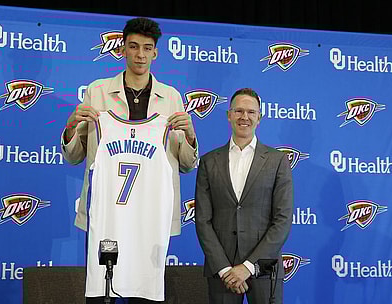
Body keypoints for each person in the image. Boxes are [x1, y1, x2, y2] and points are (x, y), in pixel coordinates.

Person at [61, 17, 198, 303]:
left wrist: (191, 136)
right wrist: (71, 126)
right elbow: (75, 156)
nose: (140, 54)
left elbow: (186, 163)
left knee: (145, 294)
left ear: (155, 53)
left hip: (151, 213)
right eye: (133, 47)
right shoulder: (97, 92)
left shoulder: (171, 97)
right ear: (122, 49)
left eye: (147, 48)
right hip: (106, 210)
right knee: (101, 292)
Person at [195, 88, 293, 304]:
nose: (244, 117)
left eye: (251, 112)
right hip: (222, 272)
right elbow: (202, 220)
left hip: (264, 269)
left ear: (259, 117)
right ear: (229, 115)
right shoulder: (209, 161)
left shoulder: (278, 161)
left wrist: (248, 267)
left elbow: (282, 220)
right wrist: (224, 269)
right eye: (238, 111)